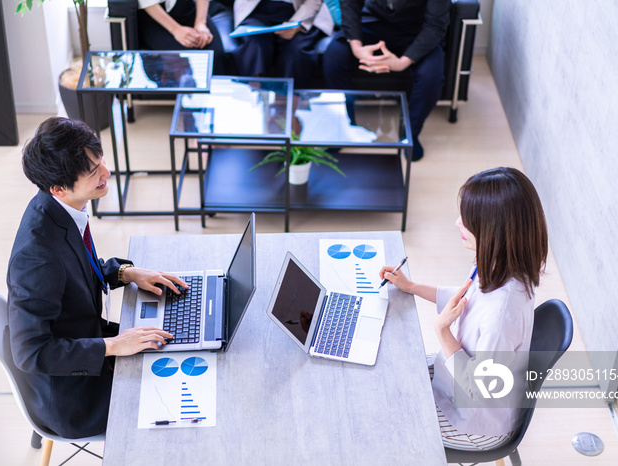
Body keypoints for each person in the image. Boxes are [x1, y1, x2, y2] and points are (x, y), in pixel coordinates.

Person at [5, 117, 187, 439]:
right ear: (59, 187)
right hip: (77, 397)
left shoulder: (59, 208)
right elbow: (31, 352)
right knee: (180, 400)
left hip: (89, 339)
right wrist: (114, 345)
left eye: (100, 159)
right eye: (93, 172)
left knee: (182, 341)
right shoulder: (36, 256)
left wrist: (125, 272)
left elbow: (74, 270)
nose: (107, 172)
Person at [380, 167, 548, 450]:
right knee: (391, 370)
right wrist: (411, 287)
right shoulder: (498, 265)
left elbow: (481, 389)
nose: (458, 222)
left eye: (467, 219)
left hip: (474, 422)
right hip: (454, 379)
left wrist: (442, 330)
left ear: (492, 231)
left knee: (389, 423)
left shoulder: (503, 313)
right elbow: (462, 300)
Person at [323, 0, 450, 160]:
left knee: (431, 75)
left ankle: (411, 133)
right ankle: (346, 123)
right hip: (371, 23)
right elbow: (350, 5)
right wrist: (357, 49)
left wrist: (401, 62)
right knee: (333, 59)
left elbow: (435, 26)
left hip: (416, 30)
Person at [232, 0, 334, 89]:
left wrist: (297, 22)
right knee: (254, 42)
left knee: (297, 49)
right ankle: (255, 95)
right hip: (256, 10)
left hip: (298, 12)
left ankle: (289, 104)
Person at [137, 0, 227, 74]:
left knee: (216, 54)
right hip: (154, 17)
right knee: (191, 56)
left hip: (187, 8)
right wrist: (175, 29)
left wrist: (201, 22)